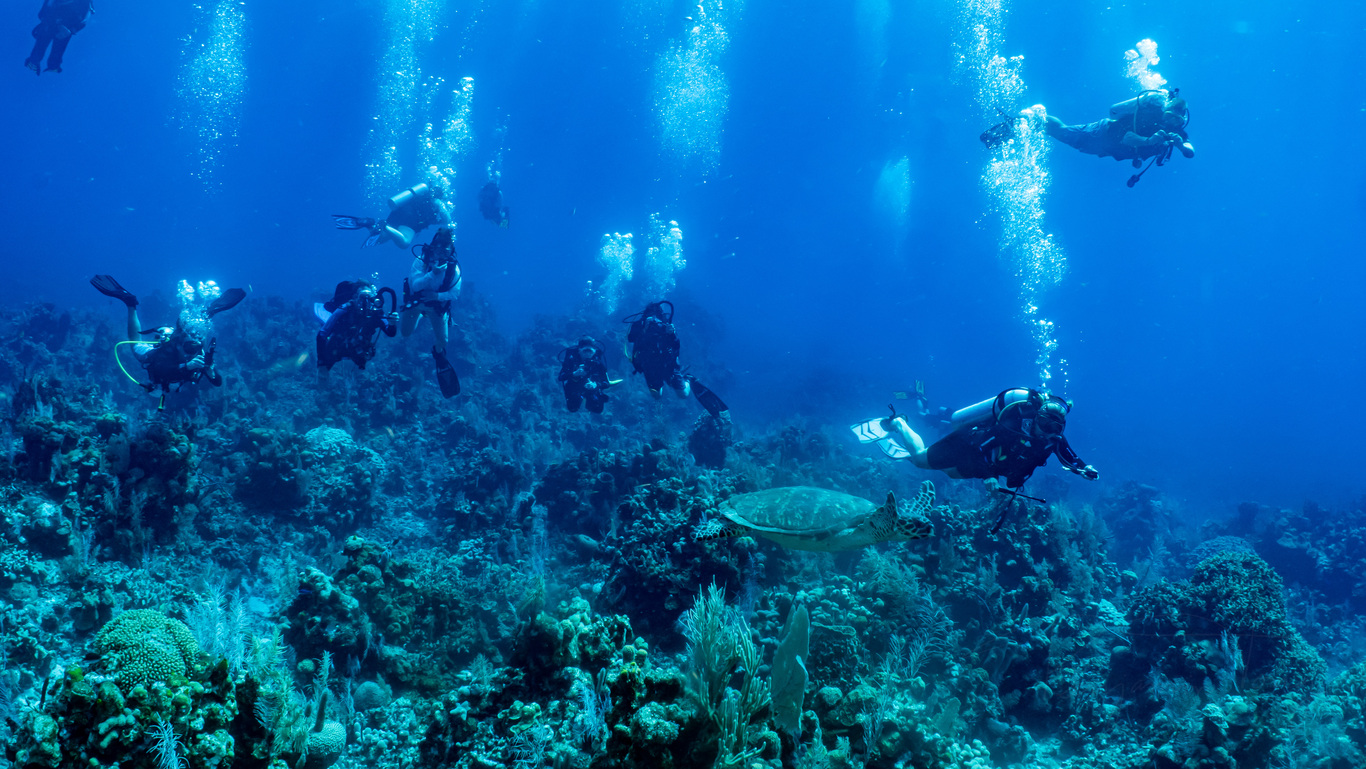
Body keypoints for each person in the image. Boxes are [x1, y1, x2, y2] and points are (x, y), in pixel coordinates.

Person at [855, 387, 1098, 490]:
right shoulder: (1013, 424)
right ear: (1036, 418)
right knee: (920, 460)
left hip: (984, 463)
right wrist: (990, 476)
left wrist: (1084, 468)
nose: (1047, 430)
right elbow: (983, 445)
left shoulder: (1053, 438)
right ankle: (899, 423)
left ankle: (921, 430)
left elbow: (1069, 456)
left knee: (951, 473)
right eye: (1044, 423)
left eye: (1055, 427)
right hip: (968, 443)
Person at [90, 275, 244, 405]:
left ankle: (208, 313)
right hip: (158, 355)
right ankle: (131, 303)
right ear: (180, 344)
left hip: (178, 345)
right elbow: (162, 370)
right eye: (188, 348)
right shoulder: (170, 351)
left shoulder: (198, 354)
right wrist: (188, 366)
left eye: (195, 348)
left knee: (194, 329)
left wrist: (210, 371)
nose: (191, 352)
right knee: (136, 343)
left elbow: (217, 382)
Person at [1024, 89, 1194, 185]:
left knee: (1068, 138)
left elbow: (1190, 152)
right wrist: (1148, 141)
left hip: (1110, 148)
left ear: (1182, 120)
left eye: (1177, 120)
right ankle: (1032, 118)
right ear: (1164, 111)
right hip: (1103, 133)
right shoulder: (1150, 116)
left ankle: (1033, 123)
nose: (1171, 122)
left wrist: (1181, 146)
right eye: (1169, 116)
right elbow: (1127, 137)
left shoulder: (1176, 132)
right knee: (1064, 133)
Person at [624, 301, 729, 418]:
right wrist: (643, 329)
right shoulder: (640, 324)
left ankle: (688, 379)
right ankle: (663, 385)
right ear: (645, 314)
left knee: (683, 394)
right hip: (649, 366)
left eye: (656, 315)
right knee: (657, 396)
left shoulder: (665, 325)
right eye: (650, 315)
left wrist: (672, 334)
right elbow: (630, 338)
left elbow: (676, 346)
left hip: (668, 365)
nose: (654, 319)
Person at [400, 227, 461, 397]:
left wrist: (437, 296)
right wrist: (432, 274)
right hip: (417, 304)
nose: (441, 253)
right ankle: (420, 315)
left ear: (451, 251)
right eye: (438, 248)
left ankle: (438, 356)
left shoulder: (453, 270)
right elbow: (415, 285)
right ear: (433, 247)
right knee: (405, 333)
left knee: (443, 341)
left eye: (445, 250)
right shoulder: (421, 261)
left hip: (436, 307)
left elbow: (455, 293)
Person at [315, 280, 398, 376]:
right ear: (355, 297)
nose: (365, 302)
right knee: (326, 368)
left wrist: (392, 323)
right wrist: (321, 363)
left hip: (359, 352)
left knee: (359, 370)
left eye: (369, 298)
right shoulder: (345, 309)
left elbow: (390, 332)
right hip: (338, 347)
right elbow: (322, 334)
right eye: (362, 297)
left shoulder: (376, 313)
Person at [333, 182, 451, 249]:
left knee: (380, 239)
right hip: (411, 220)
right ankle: (384, 226)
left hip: (399, 211)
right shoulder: (438, 202)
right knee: (404, 243)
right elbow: (447, 219)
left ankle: (370, 223)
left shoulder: (421, 196)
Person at [25, 0, 93, 75]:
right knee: (42, 51)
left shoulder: (85, 2)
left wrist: (71, 30)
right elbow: (85, 19)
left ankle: (48, 66)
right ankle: (44, 65)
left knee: (51, 53)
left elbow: (85, 18)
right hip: (54, 25)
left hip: (62, 27)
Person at [557, 337, 613, 414]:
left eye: (590, 351)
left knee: (597, 409)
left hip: (591, 388)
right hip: (575, 386)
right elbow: (561, 377)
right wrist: (574, 374)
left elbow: (606, 383)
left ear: (594, 351)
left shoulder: (598, 362)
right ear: (579, 350)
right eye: (585, 351)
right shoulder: (571, 360)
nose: (588, 354)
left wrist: (595, 385)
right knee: (572, 408)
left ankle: (589, 400)